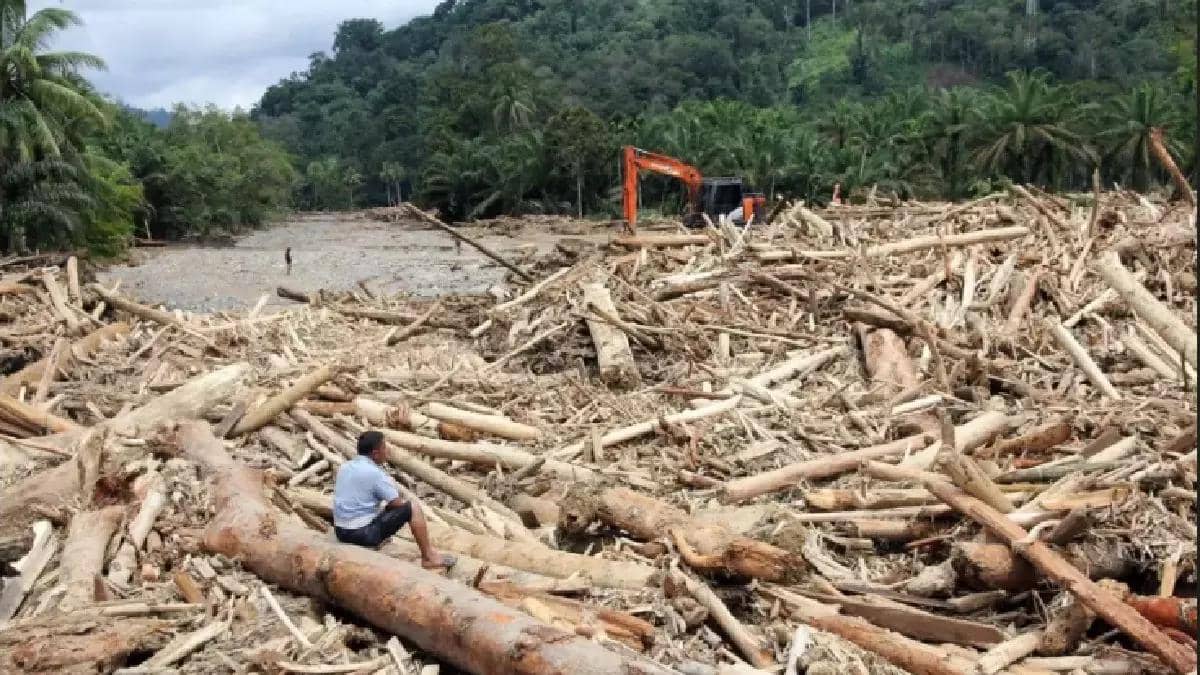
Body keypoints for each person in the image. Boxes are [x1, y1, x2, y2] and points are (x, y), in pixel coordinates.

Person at [332, 430, 455, 569]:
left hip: (341, 531)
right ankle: (428, 557)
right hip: (361, 534)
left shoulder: (345, 467)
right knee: (413, 508)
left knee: (385, 508)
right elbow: (396, 502)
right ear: (375, 453)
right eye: (384, 447)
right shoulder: (375, 474)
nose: (387, 451)